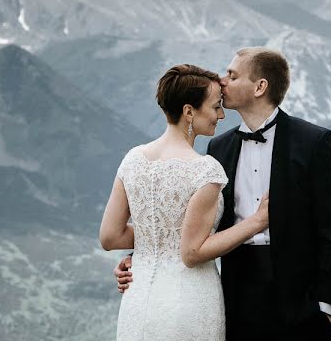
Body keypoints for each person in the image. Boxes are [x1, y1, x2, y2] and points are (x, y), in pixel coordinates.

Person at [115, 48, 331, 341]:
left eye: (232, 74)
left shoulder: (313, 142)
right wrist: (143, 254)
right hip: (236, 297)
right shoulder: (219, 148)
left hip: (299, 299)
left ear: (260, 87)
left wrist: (328, 309)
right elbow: (196, 224)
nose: (222, 80)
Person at [100, 64, 270, 341]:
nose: (222, 114)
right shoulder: (204, 170)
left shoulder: (133, 159)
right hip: (188, 301)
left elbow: (110, 236)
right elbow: (192, 253)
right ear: (189, 111)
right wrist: (257, 222)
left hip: (139, 301)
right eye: (216, 107)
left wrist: (157, 240)